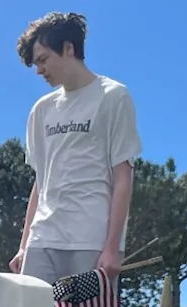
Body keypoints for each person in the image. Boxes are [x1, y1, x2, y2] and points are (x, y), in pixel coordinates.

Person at [8, 12, 141, 288]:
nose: (39, 70)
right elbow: (40, 181)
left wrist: (112, 246)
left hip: (90, 239)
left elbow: (123, 176)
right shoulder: (41, 110)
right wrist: (24, 246)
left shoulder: (113, 96)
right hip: (42, 239)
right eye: (36, 64)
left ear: (69, 48)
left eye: (43, 60)